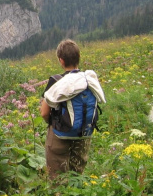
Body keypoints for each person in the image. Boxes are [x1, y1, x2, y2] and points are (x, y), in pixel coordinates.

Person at [39, 39, 105, 178]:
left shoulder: (56, 82)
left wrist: (51, 123)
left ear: (61, 61)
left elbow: (44, 112)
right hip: (83, 134)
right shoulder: (88, 81)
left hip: (59, 134)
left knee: (57, 178)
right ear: (79, 58)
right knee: (77, 176)